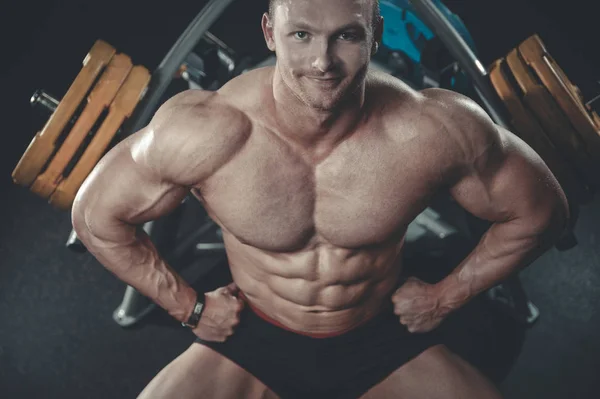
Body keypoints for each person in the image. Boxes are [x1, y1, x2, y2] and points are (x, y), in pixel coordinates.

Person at [72, 0, 569, 397]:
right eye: (301, 35)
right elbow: (95, 217)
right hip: (254, 330)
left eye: (347, 36)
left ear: (375, 31)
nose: (322, 62)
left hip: (382, 331)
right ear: (270, 33)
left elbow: (541, 212)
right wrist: (190, 308)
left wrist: (445, 297)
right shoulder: (207, 131)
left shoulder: (431, 129)